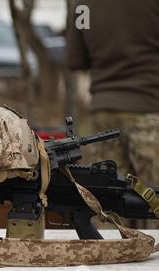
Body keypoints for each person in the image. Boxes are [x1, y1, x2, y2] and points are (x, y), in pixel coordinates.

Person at [67, 0, 159, 187]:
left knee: (112, 199)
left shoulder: (82, 5)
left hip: (104, 112)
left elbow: (75, 60)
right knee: (154, 201)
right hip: (148, 107)